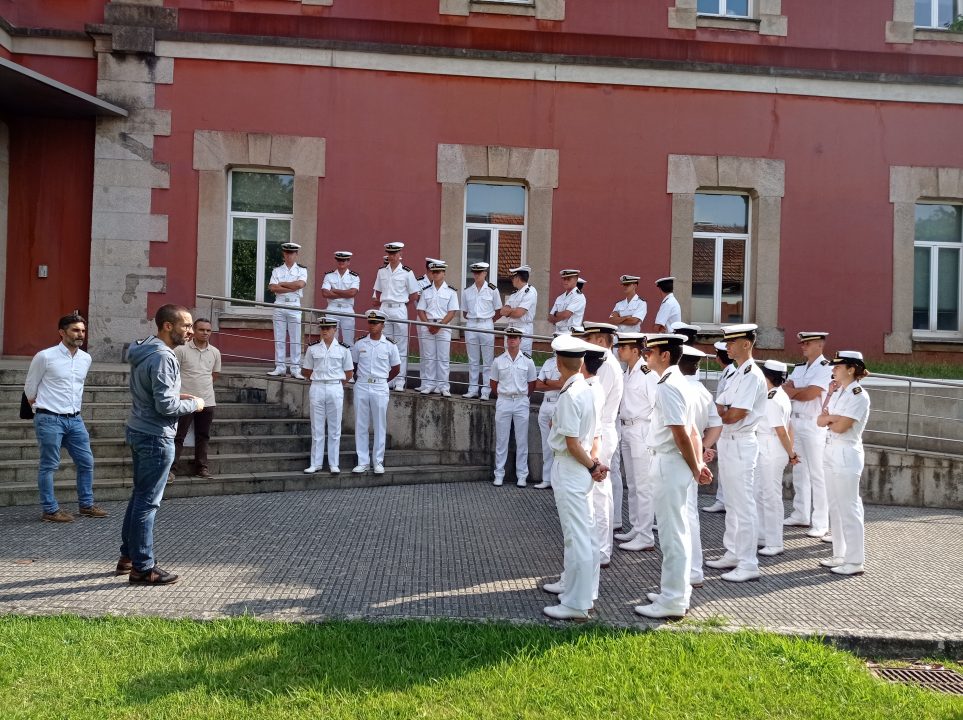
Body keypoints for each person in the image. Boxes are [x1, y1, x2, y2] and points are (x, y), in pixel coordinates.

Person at [119, 304, 205, 585]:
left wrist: (178, 393)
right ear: (167, 326)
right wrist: (195, 403)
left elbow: (153, 389)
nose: (190, 331)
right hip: (156, 436)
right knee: (147, 502)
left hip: (138, 428)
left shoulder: (143, 348)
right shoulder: (164, 357)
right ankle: (143, 568)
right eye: (186, 326)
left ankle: (128, 557)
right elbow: (166, 406)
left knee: (139, 496)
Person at [633, 333, 712, 620]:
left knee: (672, 535)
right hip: (676, 463)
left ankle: (673, 600)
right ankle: (674, 592)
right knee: (676, 532)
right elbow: (691, 430)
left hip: (670, 463)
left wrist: (695, 467)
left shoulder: (668, 385)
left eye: (649, 351)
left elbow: (680, 433)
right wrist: (698, 463)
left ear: (664, 355)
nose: (646, 355)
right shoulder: (678, 381)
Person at [541, 334, 606, 622]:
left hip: (571, 468)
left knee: (576, 537)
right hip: (581, 468)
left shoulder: (570, 395)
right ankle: (583, 592)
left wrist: (592, 466)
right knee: (585, 535)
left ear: (558, 362)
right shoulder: (588, 389)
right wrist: (594, 464)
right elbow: (592, 436)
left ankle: (577, 604)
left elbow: (571, 443)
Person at [24, 311, 104, 523]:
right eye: (75, 330)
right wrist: (41, 408)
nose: (80, 334)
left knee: (86, 461)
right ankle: (50, 509)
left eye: (83, 331)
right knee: (49, 465)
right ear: (62, 332)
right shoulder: (45, 356)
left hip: (75, 419)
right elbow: (30, 389)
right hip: (49, 418)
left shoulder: (86, 358)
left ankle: (86, 505)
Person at [708, 323, 767, 583]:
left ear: (746, 344)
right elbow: (720, 405)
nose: (727, 346)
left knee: (744, 505)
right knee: (732, 502)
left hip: (742, 442)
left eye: (732, 342)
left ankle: (748, 563)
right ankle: (733, 552)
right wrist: (724, 411)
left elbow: (733, 414)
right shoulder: (736, 373)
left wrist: (724, 412)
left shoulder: (752, 374)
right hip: (729, 442)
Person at [817, 351, 871, 576]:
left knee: (849, 508)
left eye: (838, 367)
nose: (833, 369)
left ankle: (855, 560)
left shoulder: (859, 395)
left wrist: (832, 420)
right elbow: (821, 420)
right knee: (835, 506)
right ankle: (840, 555)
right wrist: (832, 419)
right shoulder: (839, 392)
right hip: (831, 450)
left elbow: (841, 427)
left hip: (846, 453)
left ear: (851, 369)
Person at [678, 345, 722, 588]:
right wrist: (703, 448)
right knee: (689, 514)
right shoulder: (703, 391)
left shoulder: (677, 389)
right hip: (694, 455)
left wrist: (698, 450)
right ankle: (693, 571)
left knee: (679, 519)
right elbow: (716, 425)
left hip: (678, 457)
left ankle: (689, 573)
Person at [782, 331, 833, 539]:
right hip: (796, 420)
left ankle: (821, 521)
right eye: (802, 342)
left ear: (819, 345)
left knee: (817, 473)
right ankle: (801, 513)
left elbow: (812, 393)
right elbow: (786, 389)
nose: (803, 346)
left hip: (814, 424)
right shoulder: (799, 367)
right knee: (799, 470)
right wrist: (797, 392)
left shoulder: (826, 367)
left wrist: (796, 392)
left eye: (808, 343)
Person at [581, 323, 624, 567]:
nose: (587, 342)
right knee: (599, 492)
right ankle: (599, 547)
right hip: (601, 429)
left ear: (599, 340)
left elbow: (597, 403)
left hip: (602, 430)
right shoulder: (607, 362)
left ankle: (601, 551)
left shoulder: (606, 364)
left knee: (599, 493)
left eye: (590, 338)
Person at [614, 332, 659, 553]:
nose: (619, 350)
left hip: (642, 428)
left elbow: (656, 405)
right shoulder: (627, 372)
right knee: (632, 483)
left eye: (623, 347)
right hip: (627, 428)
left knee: (643, 485)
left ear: (635, 350)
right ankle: (636, 527)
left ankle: (645, 535)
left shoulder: (647, 372)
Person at [754, 360, 799, 557]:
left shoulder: (772, 399)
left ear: (768, 377)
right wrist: (790, 451)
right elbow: (789, 426)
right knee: (762, 494)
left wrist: (791, 453)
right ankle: (764, 536)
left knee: (771, 496)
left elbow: (781, 431)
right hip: (772, 446)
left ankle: (775, 541)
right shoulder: (781, 395)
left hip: (771, 446)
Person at [351, 310, 401, 474]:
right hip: (363, 385)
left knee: (380, 425)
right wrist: (361, 379)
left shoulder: (390, 345)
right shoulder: (360, 344)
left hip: (380, 385)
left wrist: (384, 381)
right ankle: (363, 461)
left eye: (376, 323)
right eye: (370, 323)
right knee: (361, 424)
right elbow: (354, 365)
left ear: (382, 325)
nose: (372, 326)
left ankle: (378, 461)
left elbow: (396, 368)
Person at [302, 317, 354, 474]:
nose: (325, 330)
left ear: (335, 330)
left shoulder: (344, 349)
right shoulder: (313, 349)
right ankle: (315, 463)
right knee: (317, 428)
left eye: (329, 327)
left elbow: (349, 373)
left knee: (334, 428)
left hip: (334, 387)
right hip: (317, 386)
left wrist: (336, 384)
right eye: (322, 327)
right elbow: (307, 371)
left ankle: (334, 464)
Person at [173, 317, 221, 480]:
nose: (205, 333)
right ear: (194, 330)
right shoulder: (181, 349)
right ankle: (171, 469)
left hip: (207, 400)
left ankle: (202, 468)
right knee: (178, 435)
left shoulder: (215, 352)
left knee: (203, 436)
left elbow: (214, 375)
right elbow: (173, 372)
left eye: (208, 330)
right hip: (185, 400)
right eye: (201, 330)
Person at [490, 326, 536, 487]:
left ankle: (522, 475)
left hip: (521, 401)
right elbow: (493, 383)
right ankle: (499, 474)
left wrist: (522, 397)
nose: (512, 340)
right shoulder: (498, 360)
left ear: (520, 340)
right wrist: (504, 396)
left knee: (522, 440)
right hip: (504, 400)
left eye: (515, 337)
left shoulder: (528, 361)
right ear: (506, 340)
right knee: (502, 441)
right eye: (509, 337)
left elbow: (532, 384)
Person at [373, 242, 420, 391]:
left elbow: (414, 294)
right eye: (389, 254)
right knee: (385, 345)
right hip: (385, 308)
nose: (392, 257)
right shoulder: (382, 271)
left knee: (400, 347)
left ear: (400, 255)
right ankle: (387, 378)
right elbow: (378, 291)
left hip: (400, 308)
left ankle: (399, 380)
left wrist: (402, 305)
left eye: (394, 254)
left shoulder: (407, 272)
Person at [416, 260, 459, 397]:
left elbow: (452, 312)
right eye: (433, 272)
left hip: (443, 326)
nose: (435, 274)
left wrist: (439, 326)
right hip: (428, 325)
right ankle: (429, 384)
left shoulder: (451, 291)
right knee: (429, 357)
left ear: (444, 273)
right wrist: (428, 325)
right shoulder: (426, 290)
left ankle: (444, 386)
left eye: (438, 272)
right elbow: (421, 310)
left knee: (443, 358)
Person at [702, 341, 735, 514]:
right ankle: (722, 499)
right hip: (722, 422)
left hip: (726, 423)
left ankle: (724, 499)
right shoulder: (727, 373)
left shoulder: (732, 375)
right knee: (722, 463)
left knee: (726, 463)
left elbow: (726, 402)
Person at [267, 242, 308, 379]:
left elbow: (300, 284)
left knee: (295, 338)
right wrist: (292, 287)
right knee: (279, 337)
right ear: (284, 254)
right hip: (279, 304)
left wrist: (282, 284)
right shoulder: (277, 270)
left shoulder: (302, 270)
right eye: (287, 253)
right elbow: (272, 288)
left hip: (294, 305)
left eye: (292, 253)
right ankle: (280, 367)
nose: (289, 255)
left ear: (296, 254)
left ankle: (295, 368)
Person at [462, 262, 499, 400]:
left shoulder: (492, 289)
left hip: (486, 325)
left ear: (485, 273)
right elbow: (465, 312)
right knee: (473, 360)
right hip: (471, 324)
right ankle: (472, 389)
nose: (477, 275)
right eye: (475, 272)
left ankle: (485, 391)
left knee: (488, 360)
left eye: (480, 272)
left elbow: (498, 310)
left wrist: (488, 321)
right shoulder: (467, 291)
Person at [533, 335, 563, 489]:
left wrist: (548, 382)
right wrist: (554, 383)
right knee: (546, 445)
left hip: (560, 404)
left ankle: (558, 480)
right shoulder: (548, 362)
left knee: (559, 445)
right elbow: (538, 384)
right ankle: (547, 479)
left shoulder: (567, 363)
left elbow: (564, 384)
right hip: (545, 404)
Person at [321, 251, 361, 348]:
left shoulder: (354, 276)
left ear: (348, 262)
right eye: (339, 260)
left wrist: (335, 291)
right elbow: (325, 293)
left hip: (347, 309)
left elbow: (352, 293)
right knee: (331, 340)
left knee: (349, 341)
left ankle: (349, 363)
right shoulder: (329, 275)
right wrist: (345, 293)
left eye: (344, 260)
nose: (341, 262)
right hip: (332, 308)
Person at [498, 265, 538, 354]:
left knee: (522, 359)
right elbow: (502, 311)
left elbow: (519, 313)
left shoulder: (530, 292)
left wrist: (510, 311)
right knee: (508, 357)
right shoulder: (515, 293)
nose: (511, 280)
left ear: (518, 278)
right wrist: (513, 311)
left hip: (523, 329)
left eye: (513, 277)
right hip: (511, 328)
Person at [547, 269, 586, 335]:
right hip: (558, 332)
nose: (565, 281)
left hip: (570, 333)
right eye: (564, 279)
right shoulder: (560, 297)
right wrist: (559, 315)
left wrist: (556, 314)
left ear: (576, 280)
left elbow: (566, 315)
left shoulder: (578, 296)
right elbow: (550, 318)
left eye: (568, 279)